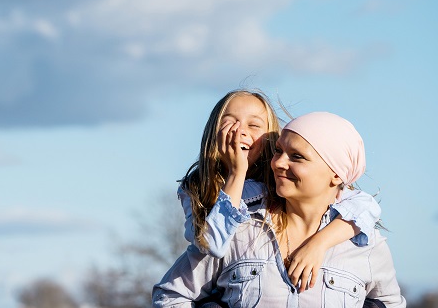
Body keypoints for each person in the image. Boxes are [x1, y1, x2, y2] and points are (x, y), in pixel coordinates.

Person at [154, 112, 406, 307]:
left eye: (297, 157)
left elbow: (391, 303)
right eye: (278, 151)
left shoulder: (367, 245)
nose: (278, 163)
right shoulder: (239, 228)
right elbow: (171, 294)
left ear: (336, 174)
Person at [178, 90, 380, 291]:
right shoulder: (196, 187)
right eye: (229, 121)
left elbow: (365, 206)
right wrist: (236, 173)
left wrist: (319, 243)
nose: (240, 131)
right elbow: (212, 244)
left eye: (254, 125)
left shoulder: (278, 181)